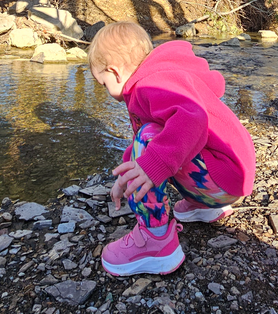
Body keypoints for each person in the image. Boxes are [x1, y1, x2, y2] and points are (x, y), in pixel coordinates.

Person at [87, 21, 256, 276]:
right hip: (227, 178)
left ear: (115, 72)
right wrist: (126, 175)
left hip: (220, 181)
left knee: (150, 137)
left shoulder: (151, 83)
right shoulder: (165, 75)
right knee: (155, 141)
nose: (106, 90)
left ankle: (155, 239)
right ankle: (203, 206)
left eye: (103, 83)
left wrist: (152, 166)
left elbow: (192, 119)